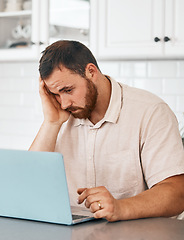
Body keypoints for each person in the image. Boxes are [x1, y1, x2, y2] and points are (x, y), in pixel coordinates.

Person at [30, 40, 184, 222]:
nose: (64, 103)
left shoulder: (150, 111)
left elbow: (177, 193)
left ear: (91, 72)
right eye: (55, 94)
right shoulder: (61, 113)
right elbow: (30, 184)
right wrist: (51, 123)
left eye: (68, 90)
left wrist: (120, 207)